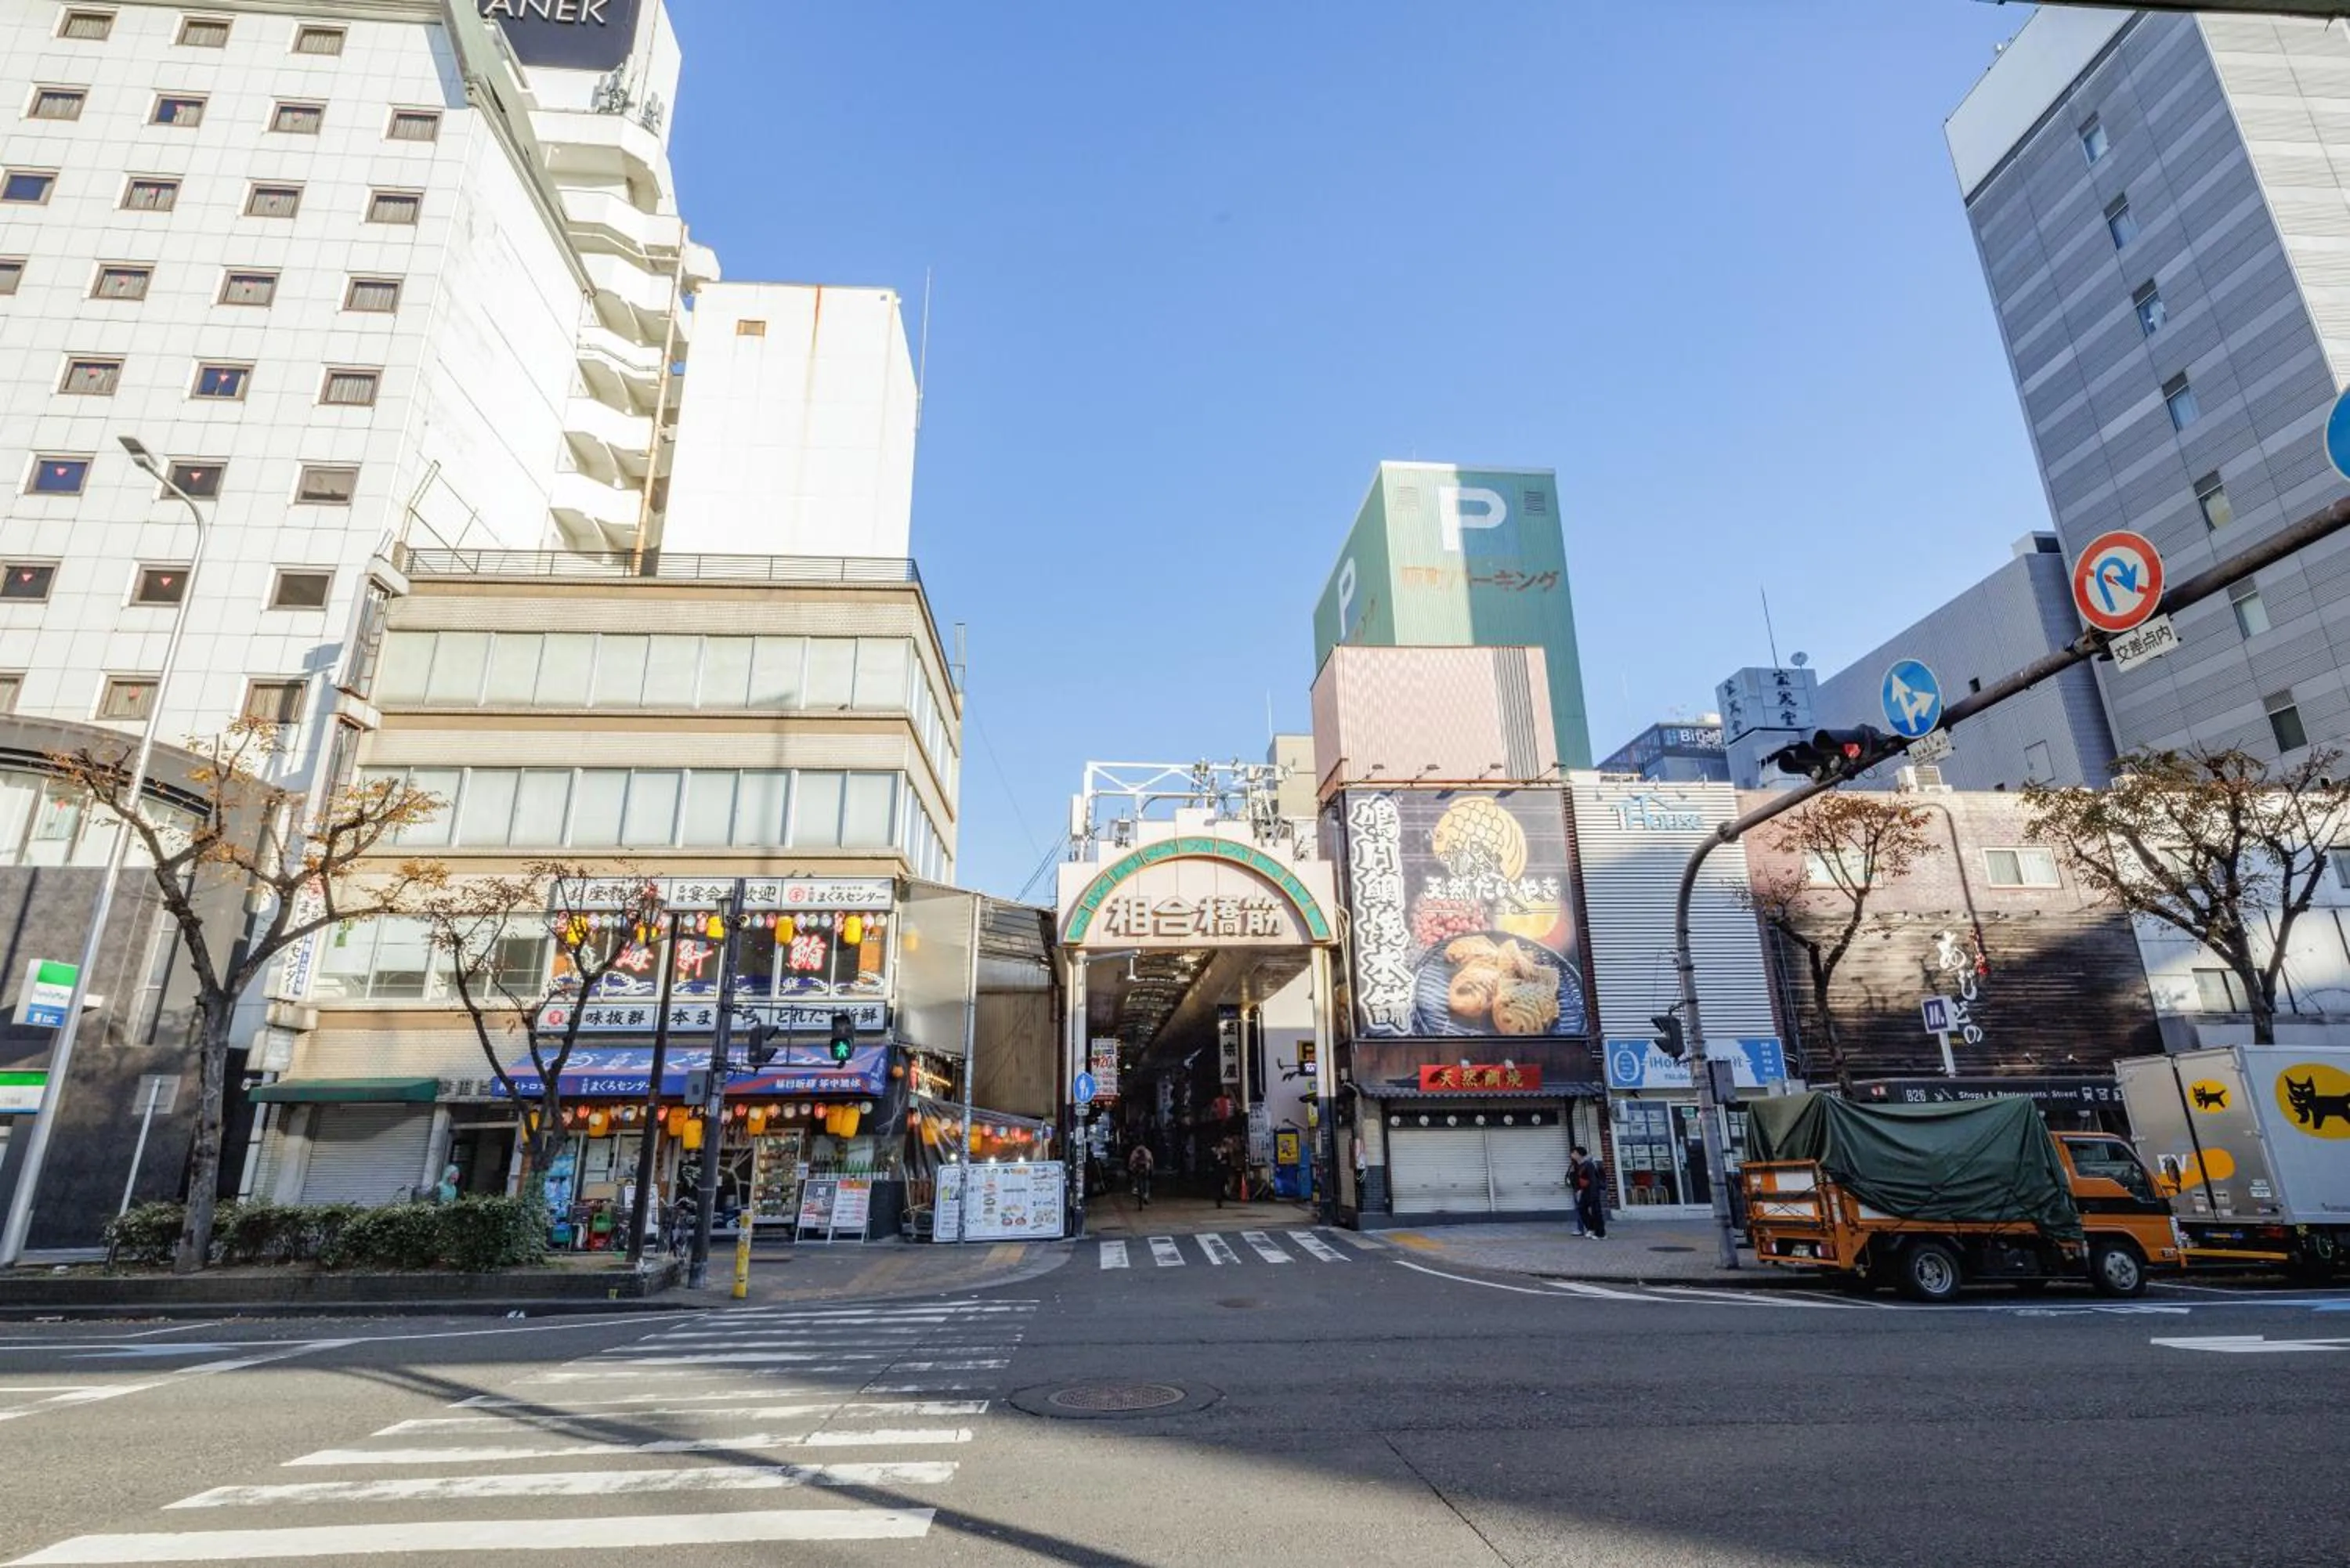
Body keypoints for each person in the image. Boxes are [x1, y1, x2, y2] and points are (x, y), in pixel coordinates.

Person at [1571, 1145, 1607, 1239]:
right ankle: (1591, 1228)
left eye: (1574, 1153)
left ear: (1579, 1154)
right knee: (1581, 1208)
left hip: (1592, 1190)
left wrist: (1594, 1192)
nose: (1572, 1155)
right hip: (1585, 1190)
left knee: (1596, 1211)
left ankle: (1601, 1233)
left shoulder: (1589, 1164)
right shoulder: (1578, 1165)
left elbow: (1593, 1179)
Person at [1127, 1141, 1155, 1208]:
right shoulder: (1147, 1151)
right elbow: (1151, 1160)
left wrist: (1130, 1167)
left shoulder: (1135, 1151)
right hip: (1145, 1167)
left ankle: (1135, 1188)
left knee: (1135, 1177)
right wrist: (1151, 1168)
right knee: (1146, 1180)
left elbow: (1131, 1160)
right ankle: (1146, 1194)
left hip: (1137, 1167)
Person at [1209, 1138, 1232, 1209]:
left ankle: (1220, 1199)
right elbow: (1212, 1161)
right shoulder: (1215, 1151)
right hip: (1218, 1171)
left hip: (1222, 1171)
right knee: (1218, 1186)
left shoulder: (1225, 1152)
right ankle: (1218, 1200)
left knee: (1221, 1186)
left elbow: (1228, 1162)